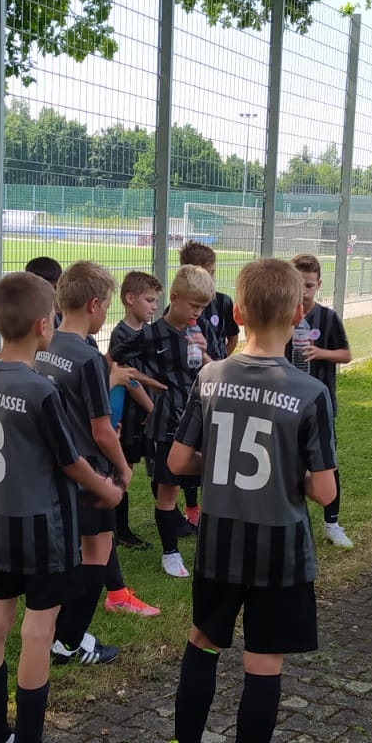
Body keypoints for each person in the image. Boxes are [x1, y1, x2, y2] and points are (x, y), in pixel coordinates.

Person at [152, 257, 337, 743]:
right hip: (280, 549)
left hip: (219, 541)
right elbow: (324, 491)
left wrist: (220, 466)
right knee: (264, 663)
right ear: (300, 314)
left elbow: (178, 461)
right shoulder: (309, 392)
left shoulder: (210, 377)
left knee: (203, 643)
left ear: (236, 313)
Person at [0, 272, 122, 743]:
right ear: (43, 325)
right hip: (41, 522)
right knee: (39, 627)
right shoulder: (40, 390)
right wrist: (106, 488)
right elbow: (71, 460)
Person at [34, 261, 132, 665]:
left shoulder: (46, 344)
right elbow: (102, 430)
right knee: (97, 550)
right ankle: (69, 641)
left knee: (70, 553)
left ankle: (58, 630)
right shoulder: (88, 357)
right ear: (94, 305)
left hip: (53, 469)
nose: (106, 313)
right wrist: (123, 468)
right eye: (107, 306)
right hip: (88, 470)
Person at [144, 264, 215, 578]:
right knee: (168, 490)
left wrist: (205, 353)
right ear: (174, 298)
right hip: (167, 422)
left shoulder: (201, 329)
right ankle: (170, 553)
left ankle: (211, 543)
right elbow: (128, 372)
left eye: (203, 307)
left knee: (211, 484)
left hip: (202, 419)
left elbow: (218, 370)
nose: (197, 312)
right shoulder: (151, 334)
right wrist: (150, 404)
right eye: (193, 305)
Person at [288, 254, 353, 548]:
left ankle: (333, 524)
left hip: (320, 407)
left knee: (327, 465)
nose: (304, 291)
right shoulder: (283, 317)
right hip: (288, 405)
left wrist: (320, 353)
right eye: (298, 285)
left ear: (318, 285)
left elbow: (346, 354)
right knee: (288, 463)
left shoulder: (328, 318)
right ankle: (292, 521)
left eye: (309, 285)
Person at [178, 241, 238, 529]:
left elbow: (232, 337)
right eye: (206, 273)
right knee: (191, 446)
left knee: (218, 443)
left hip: (218, 384)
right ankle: (192, 506)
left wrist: (220, 362)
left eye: (212, 273)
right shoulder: (177, 308)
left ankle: (216, 502)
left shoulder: (223, 302)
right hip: (191, 387)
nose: (210, 279)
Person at [108, 270, 165, 550]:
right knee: (124, 469)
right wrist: (152, 408)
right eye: (149, 300)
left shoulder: (147, 333)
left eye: (156, 302)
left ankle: (171, 515)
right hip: (130, 415)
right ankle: (119, 530)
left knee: (157, 462)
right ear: (130, 299)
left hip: (145, 413)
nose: (154, 307)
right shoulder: (121, 335)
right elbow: (129, 379)